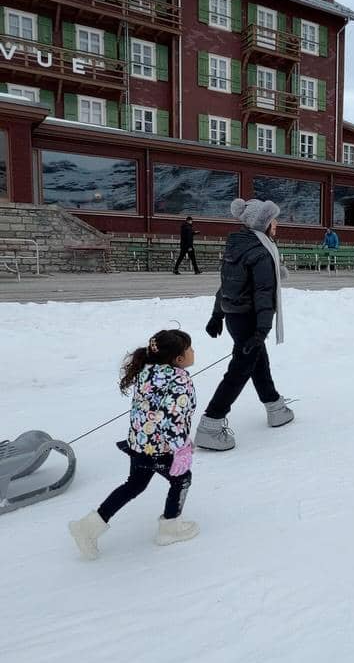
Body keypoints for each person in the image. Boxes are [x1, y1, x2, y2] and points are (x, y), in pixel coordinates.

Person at [68, 329, 199, 559]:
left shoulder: (146, 371)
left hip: (139, 444)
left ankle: (87, 527)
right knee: (182, 479)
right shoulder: (180, 379)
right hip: (161, 448)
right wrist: (181, 448)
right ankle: (170, 529)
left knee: (135, 484)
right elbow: (172, 418)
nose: (193, 352)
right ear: (178, 358)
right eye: (189, 348)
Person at [195, 198, 294, 451]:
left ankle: (275, 406)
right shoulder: (260, 252)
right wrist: (262, 330)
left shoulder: (238, 245)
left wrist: (218, 315)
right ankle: (211, 424)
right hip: (250, 319)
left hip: (235, 317)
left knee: (258, 361)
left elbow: (227, 285)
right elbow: (263, 293)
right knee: (240, 369)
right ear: (262, 223)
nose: (277, 224)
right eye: (273, 219)